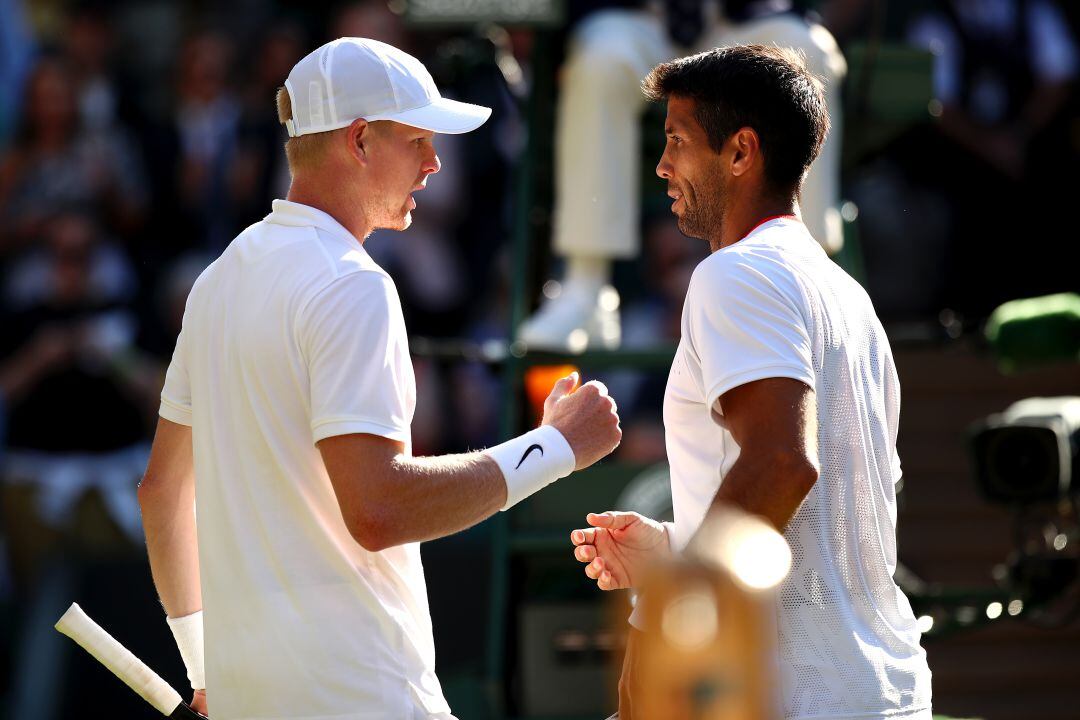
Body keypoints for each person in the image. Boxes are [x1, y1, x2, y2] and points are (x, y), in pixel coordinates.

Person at [137, 38, 622, 720]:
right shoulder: (351, 285)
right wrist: (554, 448)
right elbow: (378, 509)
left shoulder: (218, 280)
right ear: (360, 141)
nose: (434, 164)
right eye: (418, 139)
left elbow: (161, 492)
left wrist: (204, 667)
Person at [570, 45, 932, 719]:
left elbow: (780, 463)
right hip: (877, 694)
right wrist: (679, 544)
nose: (662, 166)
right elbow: (829, 512)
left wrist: (664, 630)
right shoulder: (847, 295)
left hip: (788, 700)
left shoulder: (736, 275)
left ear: (740, 152)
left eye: (676, 142)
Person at [518, 0, 846, 351]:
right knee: (600, 60)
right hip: (640, 17)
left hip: (741, 17)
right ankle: (586, 287)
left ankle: (807, 282)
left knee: (810, 51)